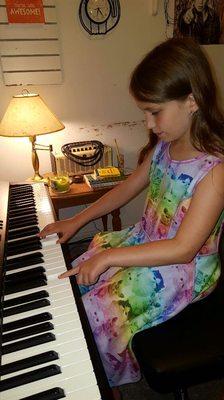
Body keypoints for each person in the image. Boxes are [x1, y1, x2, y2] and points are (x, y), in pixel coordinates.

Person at [39, 38, 224, 399]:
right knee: (79, 274)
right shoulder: (164, 146)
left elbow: (183, 249)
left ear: (192, 101)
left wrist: (112, 257)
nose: (148, 123)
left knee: (96, 314)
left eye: (154, 111)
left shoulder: (214, 170)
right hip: (146, 242)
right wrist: (76, 222)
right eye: (144, 112)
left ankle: (102, 385)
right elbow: (125, 189)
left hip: (184, 269)